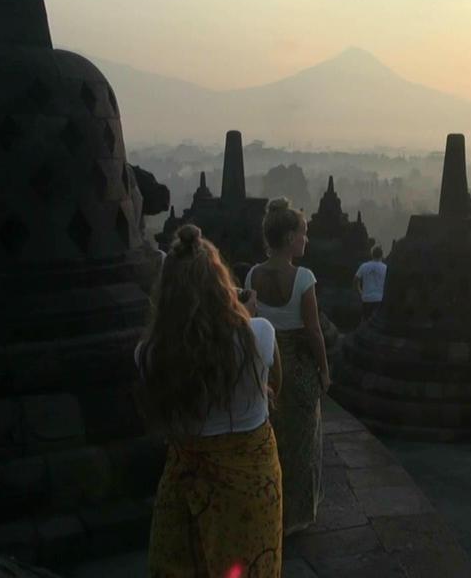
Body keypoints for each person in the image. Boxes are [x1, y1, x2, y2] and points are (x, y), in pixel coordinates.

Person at [135, 224, 283, 578]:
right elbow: (276, 382)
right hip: (251, 488)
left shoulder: (149, 354)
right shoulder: (258, 334)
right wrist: (243, 313)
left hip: (183, 487)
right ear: (221, 284)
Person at [245, 198, 329, 535]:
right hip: (299, 370)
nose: (306, 240)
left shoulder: (252, 274)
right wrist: (324, 370)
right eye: (303, 234)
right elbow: (314, 331)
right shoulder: (304, 278)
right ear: (290, 237)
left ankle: (270, 511)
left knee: (273, 443)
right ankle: (294, 517)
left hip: (268, 371)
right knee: (302, 446)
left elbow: (252, 323)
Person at [354, 245, 387, 323]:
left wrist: (360, 292)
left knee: (365, 321)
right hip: (380, 299)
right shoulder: (385, 268)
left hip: (366, 298)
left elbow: (356, 280)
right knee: (376, 323)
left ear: (372, 255)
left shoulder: (364, 266)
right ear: (382, 255)